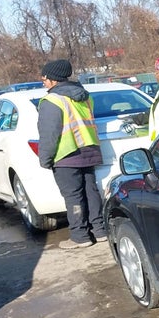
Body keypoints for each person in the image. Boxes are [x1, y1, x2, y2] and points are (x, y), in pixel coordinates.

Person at [37, 59, 107, 249]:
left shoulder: (52, 101)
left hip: (67, 155)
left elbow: (49, 135)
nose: (43, 82)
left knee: (73, 196)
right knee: (91, 192)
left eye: (44, 78)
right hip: (89, 149)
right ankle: (100, 231)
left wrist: (45, 159)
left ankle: (80, 236)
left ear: (52, 80)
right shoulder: (84, 96)